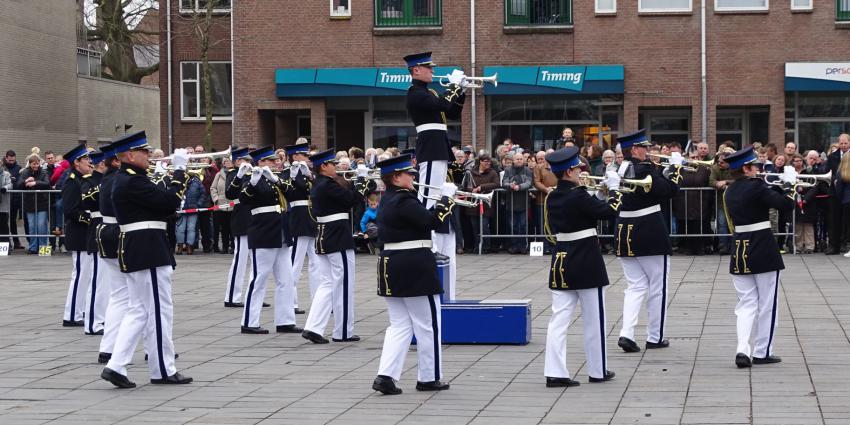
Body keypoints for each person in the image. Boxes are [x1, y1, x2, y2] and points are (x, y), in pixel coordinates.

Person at [101, 131, 192, 388]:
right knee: (160, 310)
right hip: (148, 249)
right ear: (130, 155)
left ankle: (116, 365)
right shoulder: (131, 181)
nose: (149, 155)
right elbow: (169, 202)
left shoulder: (131, 179)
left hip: (141, 248)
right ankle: (163, 369)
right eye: (144, 152)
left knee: (138, 310)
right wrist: (179, 171)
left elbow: (160, 205)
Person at [372, 154, 455, 395]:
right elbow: (432, 222)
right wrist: (445, 201)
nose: (414, 176)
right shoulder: (404, 200)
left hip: (392, 265)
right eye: (409, 173)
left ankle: (386, 375)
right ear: (396, 177)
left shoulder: (388, 199)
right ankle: (429, 377)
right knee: (428, 325)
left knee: (398, 325)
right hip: (414, 266)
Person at [542, 146, 622, 387]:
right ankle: (597, 370)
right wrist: (615, 190)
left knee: (559, 319)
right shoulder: (577, 195)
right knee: (593, 319)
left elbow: (589, 209)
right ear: (568, 171)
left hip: (561, 260)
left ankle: (555, 372)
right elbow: (608, 213)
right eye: (577, 168)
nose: (581, 171)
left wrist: (599, 193)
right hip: (586, 261)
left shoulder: (554, 195)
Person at [722, 146, 796, 368]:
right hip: (762, 246)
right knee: (767, 304)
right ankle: (763, 351)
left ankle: (742, 348)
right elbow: (786, 205)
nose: (758, 169)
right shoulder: (757, 187)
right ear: (746, 169)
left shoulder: (729, 191)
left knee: (745, 304)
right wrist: (790, 185)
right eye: (755, 166)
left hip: (740, 249)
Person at [404, 51, 468, 300]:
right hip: (430, 148)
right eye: (427, 68)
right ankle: (426, 244)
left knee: (437, 193)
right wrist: (453, 85)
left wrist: (460, 90)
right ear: (416, 70)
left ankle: (433, 240)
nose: (432, 71)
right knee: (428, 196)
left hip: (438, 146)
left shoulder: (428, 92)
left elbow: (451, 111)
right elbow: (442, 105)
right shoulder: (415, 93)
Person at [614, 129, 683, 353]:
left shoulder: (618, 169)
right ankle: (655, 336)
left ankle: (627, 332)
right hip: (649, 230)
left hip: (625, 231)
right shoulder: (644, 170)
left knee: (634, 287)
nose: (650, 151)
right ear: (634, 149)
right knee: (657, 287)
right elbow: (670, 190)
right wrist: (676, 169)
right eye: (645, 147)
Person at [302, 149, 369, 344]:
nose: (336, 166)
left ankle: (313, 327)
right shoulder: (327, 185)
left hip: (325, 234)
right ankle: (343, 331)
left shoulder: (320, 184)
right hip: (337, 235)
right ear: (324, 166)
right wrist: (362, 182)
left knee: (327, 283)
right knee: (344, 283)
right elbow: (351, 200)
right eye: (333, 164)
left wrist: (362, 184)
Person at [237, 146, 300, 335]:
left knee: (286, 279)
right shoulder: (251, 177)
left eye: (275, 160)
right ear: (261, 162)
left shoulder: (275, 179)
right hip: (263, 231)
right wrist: (254, 183)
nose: (275, 163)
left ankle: (285, 320)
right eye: (271, 161)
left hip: (281, 230)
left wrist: (277, 180)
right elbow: (243, 199)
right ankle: (249, 321)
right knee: (259, 278)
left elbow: (293, 193)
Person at [95, 144, 128, 364]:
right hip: (119, 234)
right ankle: (152, 347)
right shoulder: (119, 179)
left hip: (106, 233)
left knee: (119, 296)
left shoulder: (107, 178)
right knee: (136, 297)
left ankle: (107, 348)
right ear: (116, 161)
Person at [282, 142, 320, 313]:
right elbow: (288, 193)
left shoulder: (310, 173)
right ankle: (291, 301)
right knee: (295, 263)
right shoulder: (287, 173)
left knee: (316, 263)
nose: (307, 159)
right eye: (304, 155)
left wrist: (311, 177)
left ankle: (318, 300)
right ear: (295, 156)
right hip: (298, 217)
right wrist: (293, 175)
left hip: (311, 217)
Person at [61, 143, 92, 327]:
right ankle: (71, 314)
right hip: (79, 234)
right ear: (76, 162)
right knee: (80, 275)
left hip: (85, 235)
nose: (89, 161)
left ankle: (79, 311)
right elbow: (70, 210)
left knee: (85, 276)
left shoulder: (83, 180)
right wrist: (90, 219)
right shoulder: (72, 182)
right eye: (86, 159)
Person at [80, 151, 108, 336]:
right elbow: (87, 201)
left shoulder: (107, 179)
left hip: (109, 230)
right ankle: (92, 323)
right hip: (97, 229)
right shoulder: (90, 181)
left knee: (107, 284)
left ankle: (102, 317)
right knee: (97, 281)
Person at [223, 148, 253, 307]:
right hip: (242, 219)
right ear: (236, 161)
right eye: (243, 160)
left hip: (256, 219)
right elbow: (230, 194)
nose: (247, 163)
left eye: (248, 160)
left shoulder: (253, 172)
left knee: (257, 262)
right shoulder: (233, 174)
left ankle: (252, 294)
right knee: (240, 260)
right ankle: (232, 296)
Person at [16, 152, 51, 254]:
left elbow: (47, 184)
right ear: (30, 164)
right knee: (31, 226)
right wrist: (26, 181)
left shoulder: (44, 172)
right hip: (29, 204)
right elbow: (18, 185)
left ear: (39, 163)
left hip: (42, 203)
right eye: (33, 164)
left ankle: (43, 247)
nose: (35, 165)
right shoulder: (25, 172)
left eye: (37, 163)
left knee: (41, 225)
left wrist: (35, 182)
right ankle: (33, 247)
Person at [502, 152, 533, 254]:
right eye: (517, 159)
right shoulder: (507, 170)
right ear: (513, 160)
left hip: (524, 202)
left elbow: (528, 183)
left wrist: (518, 187)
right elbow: (504, 182)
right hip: (511, 202)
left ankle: (523, 246)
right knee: (513, 225)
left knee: (523, 225)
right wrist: (510, 185)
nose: (519, 160)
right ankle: (514, 246)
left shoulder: (528, 170)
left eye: (520, 159)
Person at [826, 134, 850, 255]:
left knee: (847, 220)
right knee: (833, 219)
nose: (843, 146)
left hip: (847, 191)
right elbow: (826, 171)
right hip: (834, 192)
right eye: (841, 143)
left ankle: (845, 243)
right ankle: (833, 245)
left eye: (846, 143)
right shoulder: (832, 156)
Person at [175, 171, 205, 255]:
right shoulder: (180, 181)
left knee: (191, 229)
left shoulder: (197, 182)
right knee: (180, 229)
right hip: (181, 208)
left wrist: (198, 204)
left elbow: (203, 194)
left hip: (193, 209)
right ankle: (180, 246)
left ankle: (189, 246)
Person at [210, 157, 234, 254]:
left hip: (233, 204)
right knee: (224, 228)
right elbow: (213, 188)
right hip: (221, 204)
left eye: (228, 161)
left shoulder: (235, 173)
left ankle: (233, 246)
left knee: (232, 227)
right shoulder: (219, 174)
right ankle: (224, 247)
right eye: (225, 162)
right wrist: (216, 199)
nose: (226, 163)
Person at [832, 152, 850, 257]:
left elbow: (839, 189)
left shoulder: (842, 172)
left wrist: (841, 199)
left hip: (847, 201)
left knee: (848, 226)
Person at [4, 150, 22, 249]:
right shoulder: (3, 168)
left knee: (12, 221)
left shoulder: (19, 168)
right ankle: (6, 242)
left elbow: (21, 181)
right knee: (4, 221)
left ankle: (16, 242)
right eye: (10, 160)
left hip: (15, 198)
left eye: (13, 160)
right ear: (6, 158)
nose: (11, 162)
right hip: (3, 199)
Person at [0, 165, 11, 246]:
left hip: (3, 203)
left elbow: (10, 184)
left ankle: (5, 245)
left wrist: (5, 188)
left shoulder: (6, 174)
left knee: (4, 225)